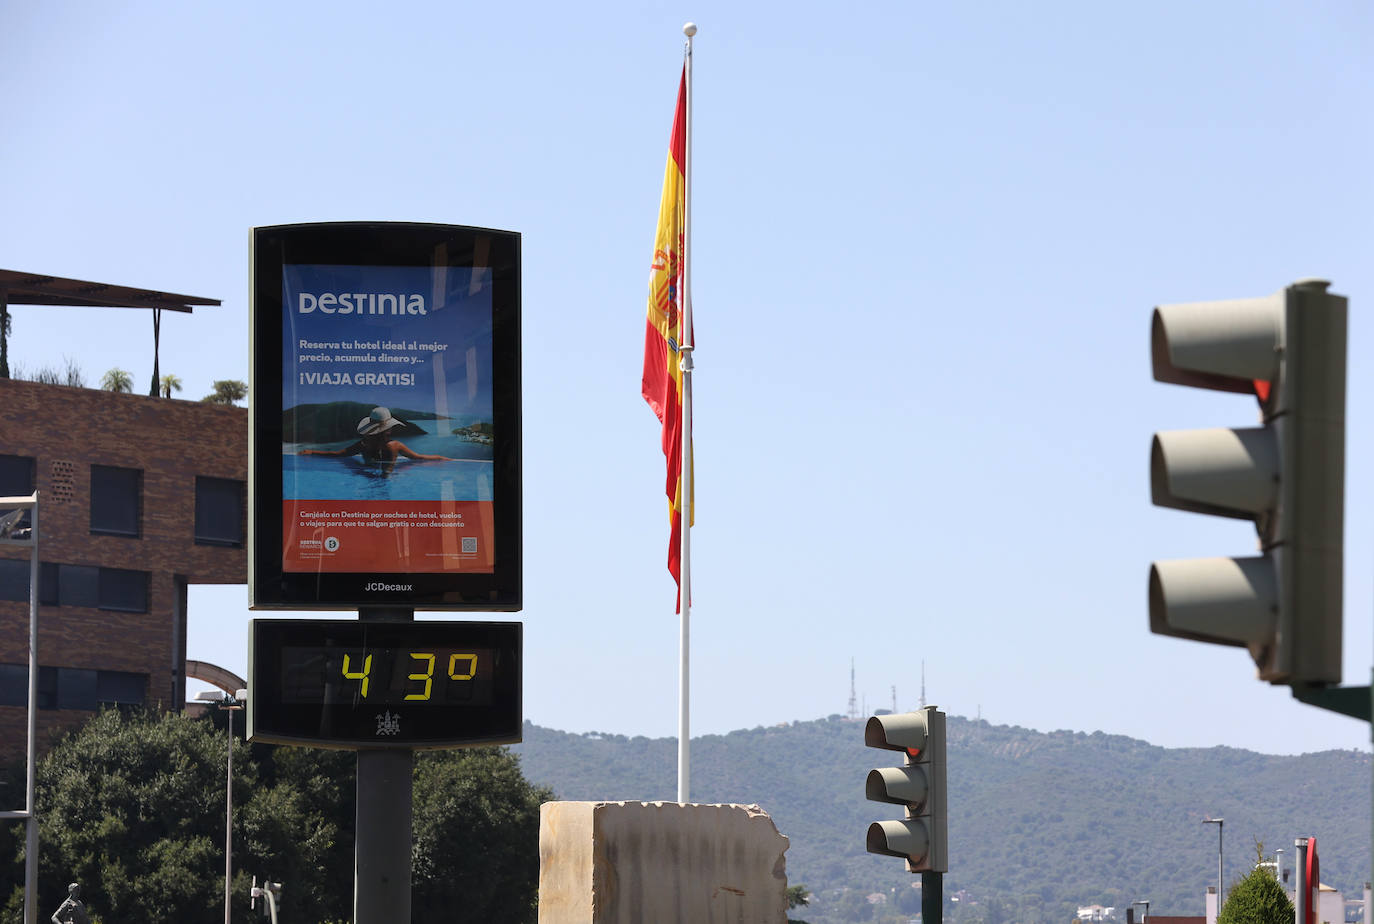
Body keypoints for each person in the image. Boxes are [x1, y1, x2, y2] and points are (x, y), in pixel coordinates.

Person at [299, 406, 455, 462]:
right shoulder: (393, 445)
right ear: (388, 429)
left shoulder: (364, 445)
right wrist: (312, 451)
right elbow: (418, 458)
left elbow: (339, 454)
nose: (390, 431)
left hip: (370, 479)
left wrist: (312, 452)